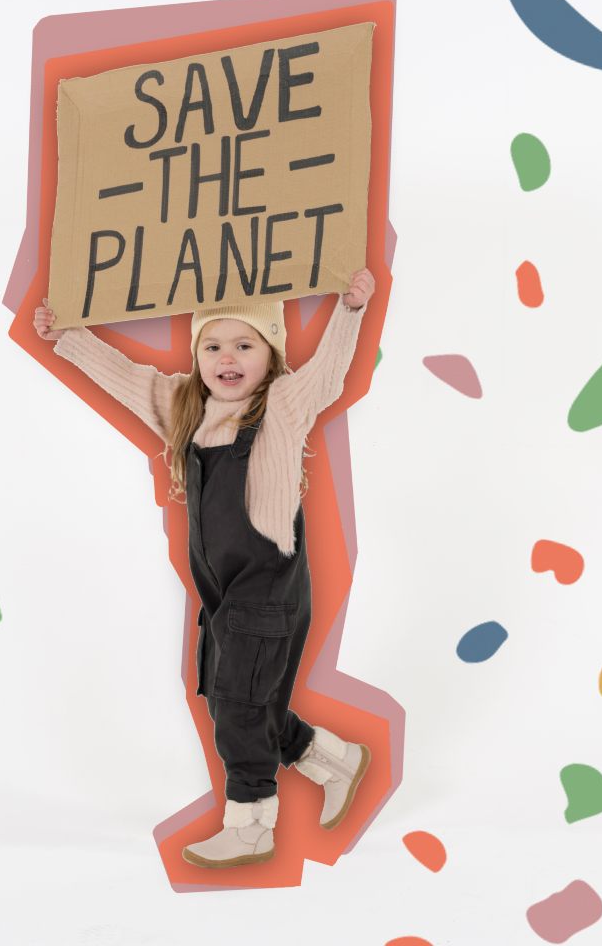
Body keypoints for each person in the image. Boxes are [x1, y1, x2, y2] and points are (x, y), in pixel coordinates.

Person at [33, 268, 376, 868]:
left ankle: (251, 824)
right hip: (221, 593)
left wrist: (349, 311)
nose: (228, 358)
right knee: (235, 700)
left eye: (245, 344)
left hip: (268, 586)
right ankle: (331, 758)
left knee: (240, 705)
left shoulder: (283, 408)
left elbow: (327, 375)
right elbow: (126, 379)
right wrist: (67, 336)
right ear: (197, 356)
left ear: (270, 355)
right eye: (213, 346)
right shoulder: (186, 407)